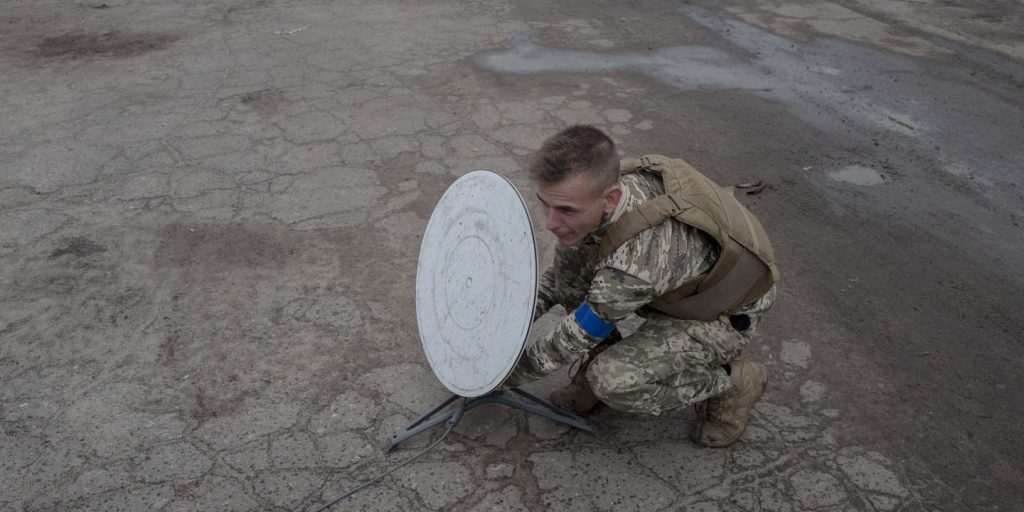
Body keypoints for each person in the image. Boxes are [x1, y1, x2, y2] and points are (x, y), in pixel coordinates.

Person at [505, 125, 779, 447]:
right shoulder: (593, 199)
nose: (551, 223)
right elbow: (556, 283)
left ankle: (732, 383)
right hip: (675, 284)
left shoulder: (634, 260)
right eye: (545, 204)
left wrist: (502, 377)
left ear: (610, 199)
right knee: (571, 276)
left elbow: (578, 333)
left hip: (722, 311)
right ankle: (597, 362)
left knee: (614, 380)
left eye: (565, 210)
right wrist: (502, 327)